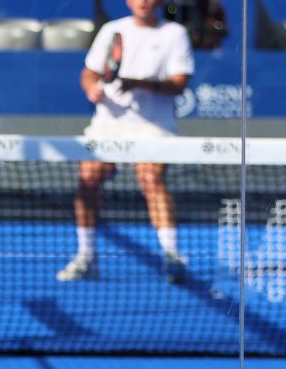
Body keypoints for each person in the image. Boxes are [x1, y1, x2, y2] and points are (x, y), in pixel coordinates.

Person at [58, 0, 195, 284]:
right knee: (89, 177)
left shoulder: (174, 34)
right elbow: (90, 73)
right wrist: (92, 89)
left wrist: (140, 83)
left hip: (153, 127)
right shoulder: (112, 30)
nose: (143, 1)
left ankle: (172, 255)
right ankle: (87, 256)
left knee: (151, 177)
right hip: (108, 126)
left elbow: (180, 83)